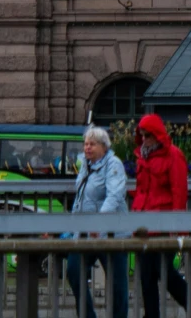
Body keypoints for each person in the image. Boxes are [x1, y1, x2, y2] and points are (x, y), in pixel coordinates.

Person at [130, 113, 191, 318]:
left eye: (147, 135)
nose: (143, 139)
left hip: (163, 224)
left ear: (156, 135)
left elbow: (179, 192)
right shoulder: (143, 157)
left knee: (163, 271)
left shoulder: (173, 155)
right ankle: (152, 314)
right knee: (147, 274)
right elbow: (142, 191)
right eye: (141, 136)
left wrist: (176, 228)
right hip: (145, 223)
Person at [65, 126, 128, 318]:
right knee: (74, 272)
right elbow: (81, 199)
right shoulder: (86, 165)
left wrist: (99, 223)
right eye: (85, 144)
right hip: (85, 232)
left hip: (111, 233)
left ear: (103, 146)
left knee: (117, 285)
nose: (87, 148)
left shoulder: (113, 164)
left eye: (92, 144)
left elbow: (114, 196)